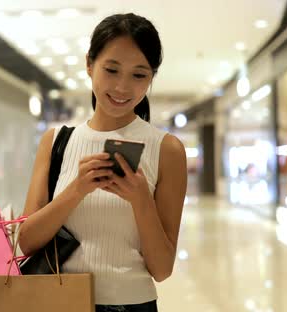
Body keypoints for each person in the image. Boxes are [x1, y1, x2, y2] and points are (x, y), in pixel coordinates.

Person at [18, 13, 187, 312]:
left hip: (133, 305)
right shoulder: (57, 140)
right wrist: (77, 189)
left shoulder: (167, 149)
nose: (122, 87)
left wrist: (140, 199)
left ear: (151, 78)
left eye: (139, 75)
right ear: (89, 64)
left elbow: (162, 270)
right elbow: (27, 242)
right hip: (59, 302)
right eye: (111, 70)